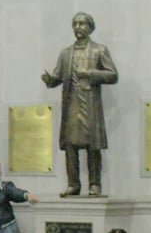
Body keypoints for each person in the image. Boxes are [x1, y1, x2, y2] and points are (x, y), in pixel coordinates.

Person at [41, 12, 119, 197]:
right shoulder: (65, 53)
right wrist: (50, 80)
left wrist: (90, 73)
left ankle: (95, 184)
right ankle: (73, 184)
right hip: (71, 103)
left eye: (82, 24)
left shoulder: (99, 50)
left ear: (90, 27)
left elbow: (113, 75)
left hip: (90, 103)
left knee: (93, 145)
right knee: (70, 145)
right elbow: (58, 76)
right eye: (75, 24)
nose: (78, 27)